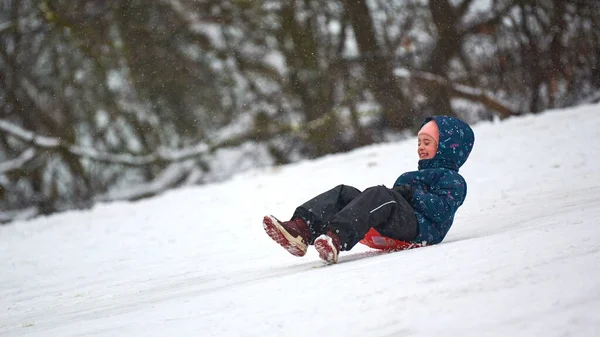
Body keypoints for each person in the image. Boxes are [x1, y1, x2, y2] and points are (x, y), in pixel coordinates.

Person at [262, 116, 475, 263]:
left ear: (446, 148)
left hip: (421, 232)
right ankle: (301, 230)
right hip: (396, 227)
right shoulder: (408, 176)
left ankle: (335, 239)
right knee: (345, 193)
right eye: (419, 142)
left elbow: (442, 210)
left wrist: (412, 195)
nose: (420, 147)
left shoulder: (453, 180)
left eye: (427, 142)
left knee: (380, 194)